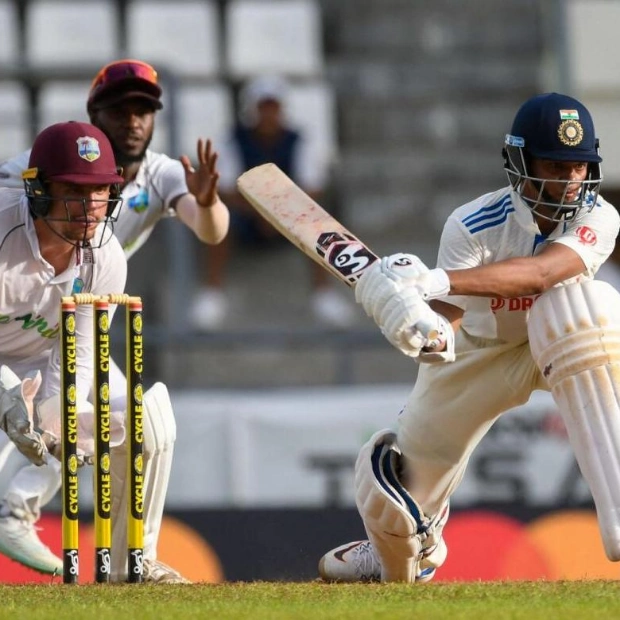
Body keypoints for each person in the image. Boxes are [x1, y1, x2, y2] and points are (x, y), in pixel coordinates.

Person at [316, 92, 620, 583]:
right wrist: (416, 324)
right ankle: (398, 552)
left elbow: (544, 274)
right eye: (555, 164)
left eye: (579, 166)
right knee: (393, 494)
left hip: (564, 340)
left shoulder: (601, 216)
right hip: (480, 353)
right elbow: (446, 331)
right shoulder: (471, 224)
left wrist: (434, 280)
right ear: (519, 163)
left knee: (588, 306)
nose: (569, 180)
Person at [0, 58, 229, 579]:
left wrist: (58, 422)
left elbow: (80, 360)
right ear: (38, 191)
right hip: (9, 327)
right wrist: (7, 398)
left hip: (53, 327)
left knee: (138, 421)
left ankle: (130, 561)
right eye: (72, 194)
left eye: (97, 194)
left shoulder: (109, 252)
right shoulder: (10, 207)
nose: (87, 210)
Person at [189, 74, 355, 330]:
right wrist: (263, 214)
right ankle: (212, 291)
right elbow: (225, 189)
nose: (268, 114)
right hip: (247, 216)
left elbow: (312, 189)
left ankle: (323, 293)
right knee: (217, 216)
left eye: (273, 107)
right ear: (251, 109)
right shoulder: (232, 139)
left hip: (288, 216)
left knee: (320, 221)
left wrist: (280, 214)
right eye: (262, 107)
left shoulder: (300, 140)